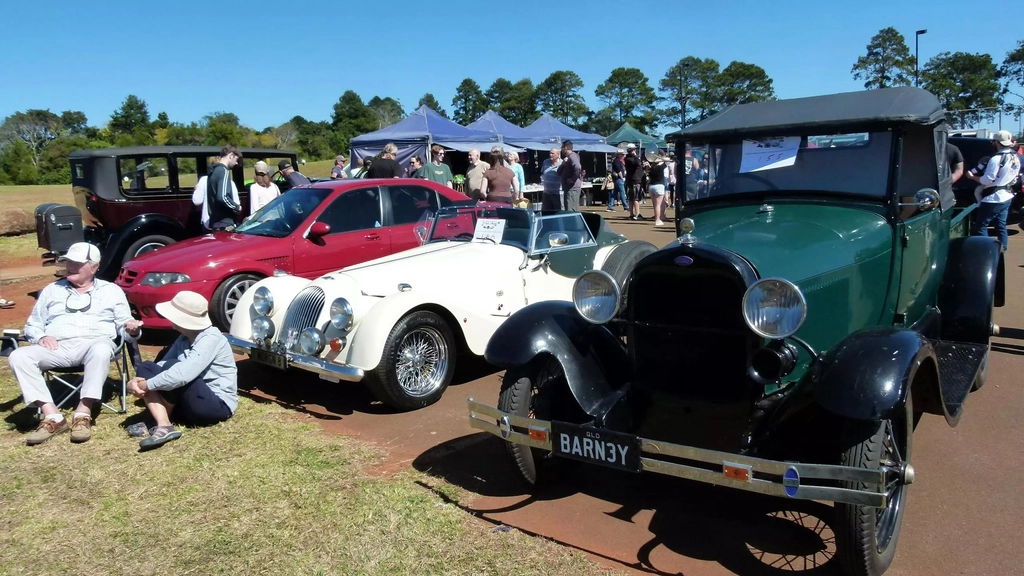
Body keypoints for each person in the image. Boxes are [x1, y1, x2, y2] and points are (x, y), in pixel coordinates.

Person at [8, 242, 143, 446]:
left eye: (77, 263)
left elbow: (123, 328)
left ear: (94, 267)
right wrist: (40, 337)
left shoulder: (112, 291)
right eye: (68, 261)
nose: (70, 266)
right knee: (18, 356)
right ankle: (52, 416)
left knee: (100, 348)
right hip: (56, 348)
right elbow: (32, 325)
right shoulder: (52, 290)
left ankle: (83, 412)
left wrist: (132, 329)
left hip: (94, 345)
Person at [125, 291, 237, 450]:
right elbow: (160, 366)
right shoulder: (184, 337)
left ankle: (161, 424)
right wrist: (136, 381)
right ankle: (162, 422)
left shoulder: (211, 338)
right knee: (147, 366)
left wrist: (146, 385)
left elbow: (181, 376)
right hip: (188, 403)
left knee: (174, 368)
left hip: (214, 406)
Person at [965, 130, 1021, 252]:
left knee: (980, 226)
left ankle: (987, 252)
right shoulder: (1014, 157)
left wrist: (972, 177)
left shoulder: (996, 158)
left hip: (993, 198)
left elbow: (987, 180)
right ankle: (1002, 251)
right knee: (1001, 226)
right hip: (1007, 196)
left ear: (996, 142)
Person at [191, 156, 240, 231]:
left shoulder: (204, 180)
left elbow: (197, 201)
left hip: (208, 221)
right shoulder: (230, 182)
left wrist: (196, 189)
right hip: (227, 221)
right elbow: (236, 202)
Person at [206, 145, 244, 230]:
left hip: (215, 221)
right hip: (224, 223)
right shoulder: (223, 171)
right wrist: (237, 207)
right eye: (236, 160)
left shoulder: (213, 171)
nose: (236, 163)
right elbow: (222, 197)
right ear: (231, 156)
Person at [557, 140, 583, 211]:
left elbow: (578, 167)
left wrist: (573, 179)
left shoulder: (572, 156)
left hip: (572, 189)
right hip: (569, 189)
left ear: (565, 148)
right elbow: (558, 172)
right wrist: (563, 164)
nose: (561, 150)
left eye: (562, 147)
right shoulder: (568, 158)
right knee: (568, 209)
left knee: (571, 210)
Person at [625, 144, 645, 220]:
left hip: (632, 180)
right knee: (635, 198)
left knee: (631, 198)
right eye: (633, 150)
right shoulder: (630, 159)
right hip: (635, 180)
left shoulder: (629, 158)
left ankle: (631, 214)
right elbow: (637, 163)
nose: (635, 151)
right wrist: (636, 156)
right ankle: (637, 214)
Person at [648, 156, 669, 226]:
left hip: (651, 186)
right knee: (658, 205)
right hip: (659, 186)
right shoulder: (660, 167)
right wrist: (662, 159)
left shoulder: (651, 168)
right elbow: (668, 160)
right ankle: (657, 220)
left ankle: (657, 218)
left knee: (655, 205)